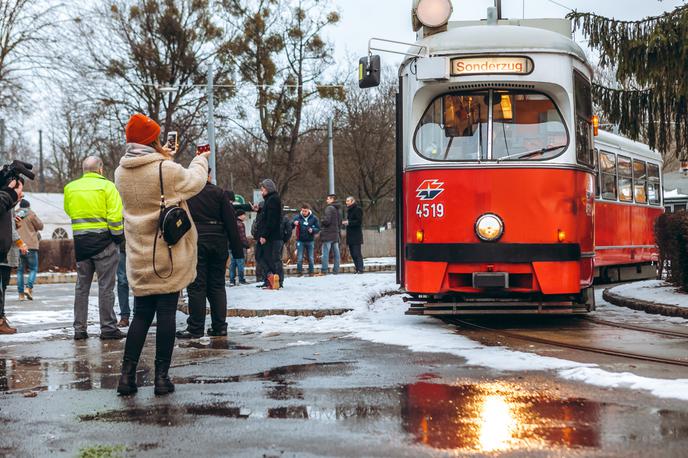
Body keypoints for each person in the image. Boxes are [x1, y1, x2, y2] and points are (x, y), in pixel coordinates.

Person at [115, 113, 209, 396]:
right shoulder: (165, 170)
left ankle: (126, 377)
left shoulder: (121, 173)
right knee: (167, 312)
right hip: (166, 255)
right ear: (152, 140)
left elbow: (147, 174)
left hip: (139, 254)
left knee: (141, 314)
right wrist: (200, 158)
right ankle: (161, 378)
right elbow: (194, 182)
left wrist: (162, 156)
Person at [176, 169, 243, 339]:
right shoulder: (219, 193)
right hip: (218, 241)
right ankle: (219, 326)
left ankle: (196, 328)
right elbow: (231, 221)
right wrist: (237, 250)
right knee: (217, 286)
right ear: (209, 176)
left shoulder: (187, 194)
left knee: (197, 286)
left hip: (196, 240)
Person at [64, 156, 125, 341]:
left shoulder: (70, 188)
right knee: (106, 287)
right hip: (104, 244)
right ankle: (108, 328)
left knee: (81, 287)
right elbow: (115, 217)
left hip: (81, 245)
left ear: (84, 170)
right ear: (100, 169)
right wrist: (118, 238)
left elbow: (69, 210)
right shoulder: (108, 187)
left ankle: (79, 329)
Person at [0, 208, 25, 334]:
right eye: (20, 192)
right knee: (2, 287)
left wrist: (15, 222)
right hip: (5, 253)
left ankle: (2, 318)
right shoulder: (7, 205)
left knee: (3, 287)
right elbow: (10, 231)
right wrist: (21, 243)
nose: (21, 196)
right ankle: (1, 320)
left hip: (5, 253)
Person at [256, 179, 283, 288]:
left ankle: (275, 280)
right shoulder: (269, 199)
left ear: (268, 189)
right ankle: (269, 279)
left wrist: (264, 235)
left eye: (262, 190)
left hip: (271, 236)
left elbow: (271, 220)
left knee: (269, 258)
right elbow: (266, 215)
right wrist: (259, 210)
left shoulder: (273, 200)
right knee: (262, 257)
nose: (261, 192)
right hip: (269, 235)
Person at [15, 199, 43, 301]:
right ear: (28, 206)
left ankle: (21, 295)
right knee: (33, 268)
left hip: (19, 245)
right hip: (30, 246)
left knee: (20, 270)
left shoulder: (15, 214)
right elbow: (40, 226)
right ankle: (28, 287)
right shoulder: (31, 214)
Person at [292, 204, 320, 276]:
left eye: (305, 211)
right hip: (300, 240)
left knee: (310, 258)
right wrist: (293, 223)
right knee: (300, 258)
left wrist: (313, 230)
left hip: (310, 241)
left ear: (308, 210)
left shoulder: (314, 218)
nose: (304, 212)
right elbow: (291, 225)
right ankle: (299, 272)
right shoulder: (297, 217)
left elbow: (318, 228)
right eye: (303, 211)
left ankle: (311, 272)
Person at [320, 194, 342, 275]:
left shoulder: (329, 208)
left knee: (325, 253)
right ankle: (336, 270)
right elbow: (340, 223)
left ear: (332, 199)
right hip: (335, 234)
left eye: (328, 199)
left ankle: (324, 270)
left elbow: (327, 221)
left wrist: (322, 220)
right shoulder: (338, 209)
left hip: (328, 234)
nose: (327, 200)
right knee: (336, 254)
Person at [343, 196, 364, 274]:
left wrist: (349, 222)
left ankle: (360, 269)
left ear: (353, 201)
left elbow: (359, 222)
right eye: (346, 201)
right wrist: (347, 222)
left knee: (357, 253)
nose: (346, 202)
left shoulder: (358, 209)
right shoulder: (349, 210)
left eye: (348, 201)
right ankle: (357, 268)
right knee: (352, 254)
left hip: (356, 235)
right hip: (350, 235)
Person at [229, 211, 250, 286]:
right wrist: (247, 246)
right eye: (244, 215)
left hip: (231, 246)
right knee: (240, 263)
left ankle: (232, 280)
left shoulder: (231, 223)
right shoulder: (240, 224)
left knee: (233, 264)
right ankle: (241, 279)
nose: (244, 216)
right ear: (240, 216)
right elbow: (242, 237)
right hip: (240, 247)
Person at [116, 241, 131, 327]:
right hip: (121, 246)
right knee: (122, 281)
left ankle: (139, 315)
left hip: (137, 246)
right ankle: (124, 316)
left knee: (137, 281)